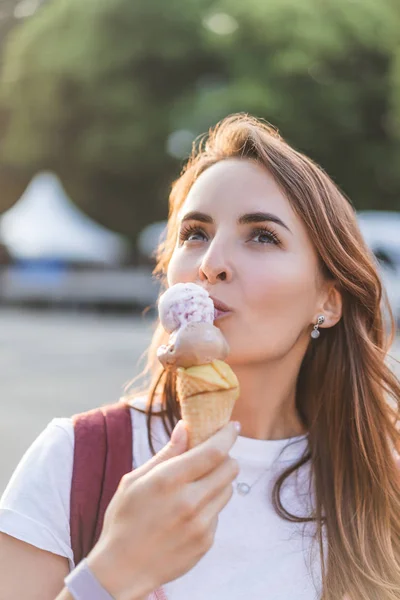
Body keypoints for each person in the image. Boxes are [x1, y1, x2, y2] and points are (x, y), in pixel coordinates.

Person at [1, 113, 400, 600]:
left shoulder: (384, 491)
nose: (210, 265)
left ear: (328, 301)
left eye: (262, 236)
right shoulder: (73, 461)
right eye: (195, 233)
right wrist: (112, 573)